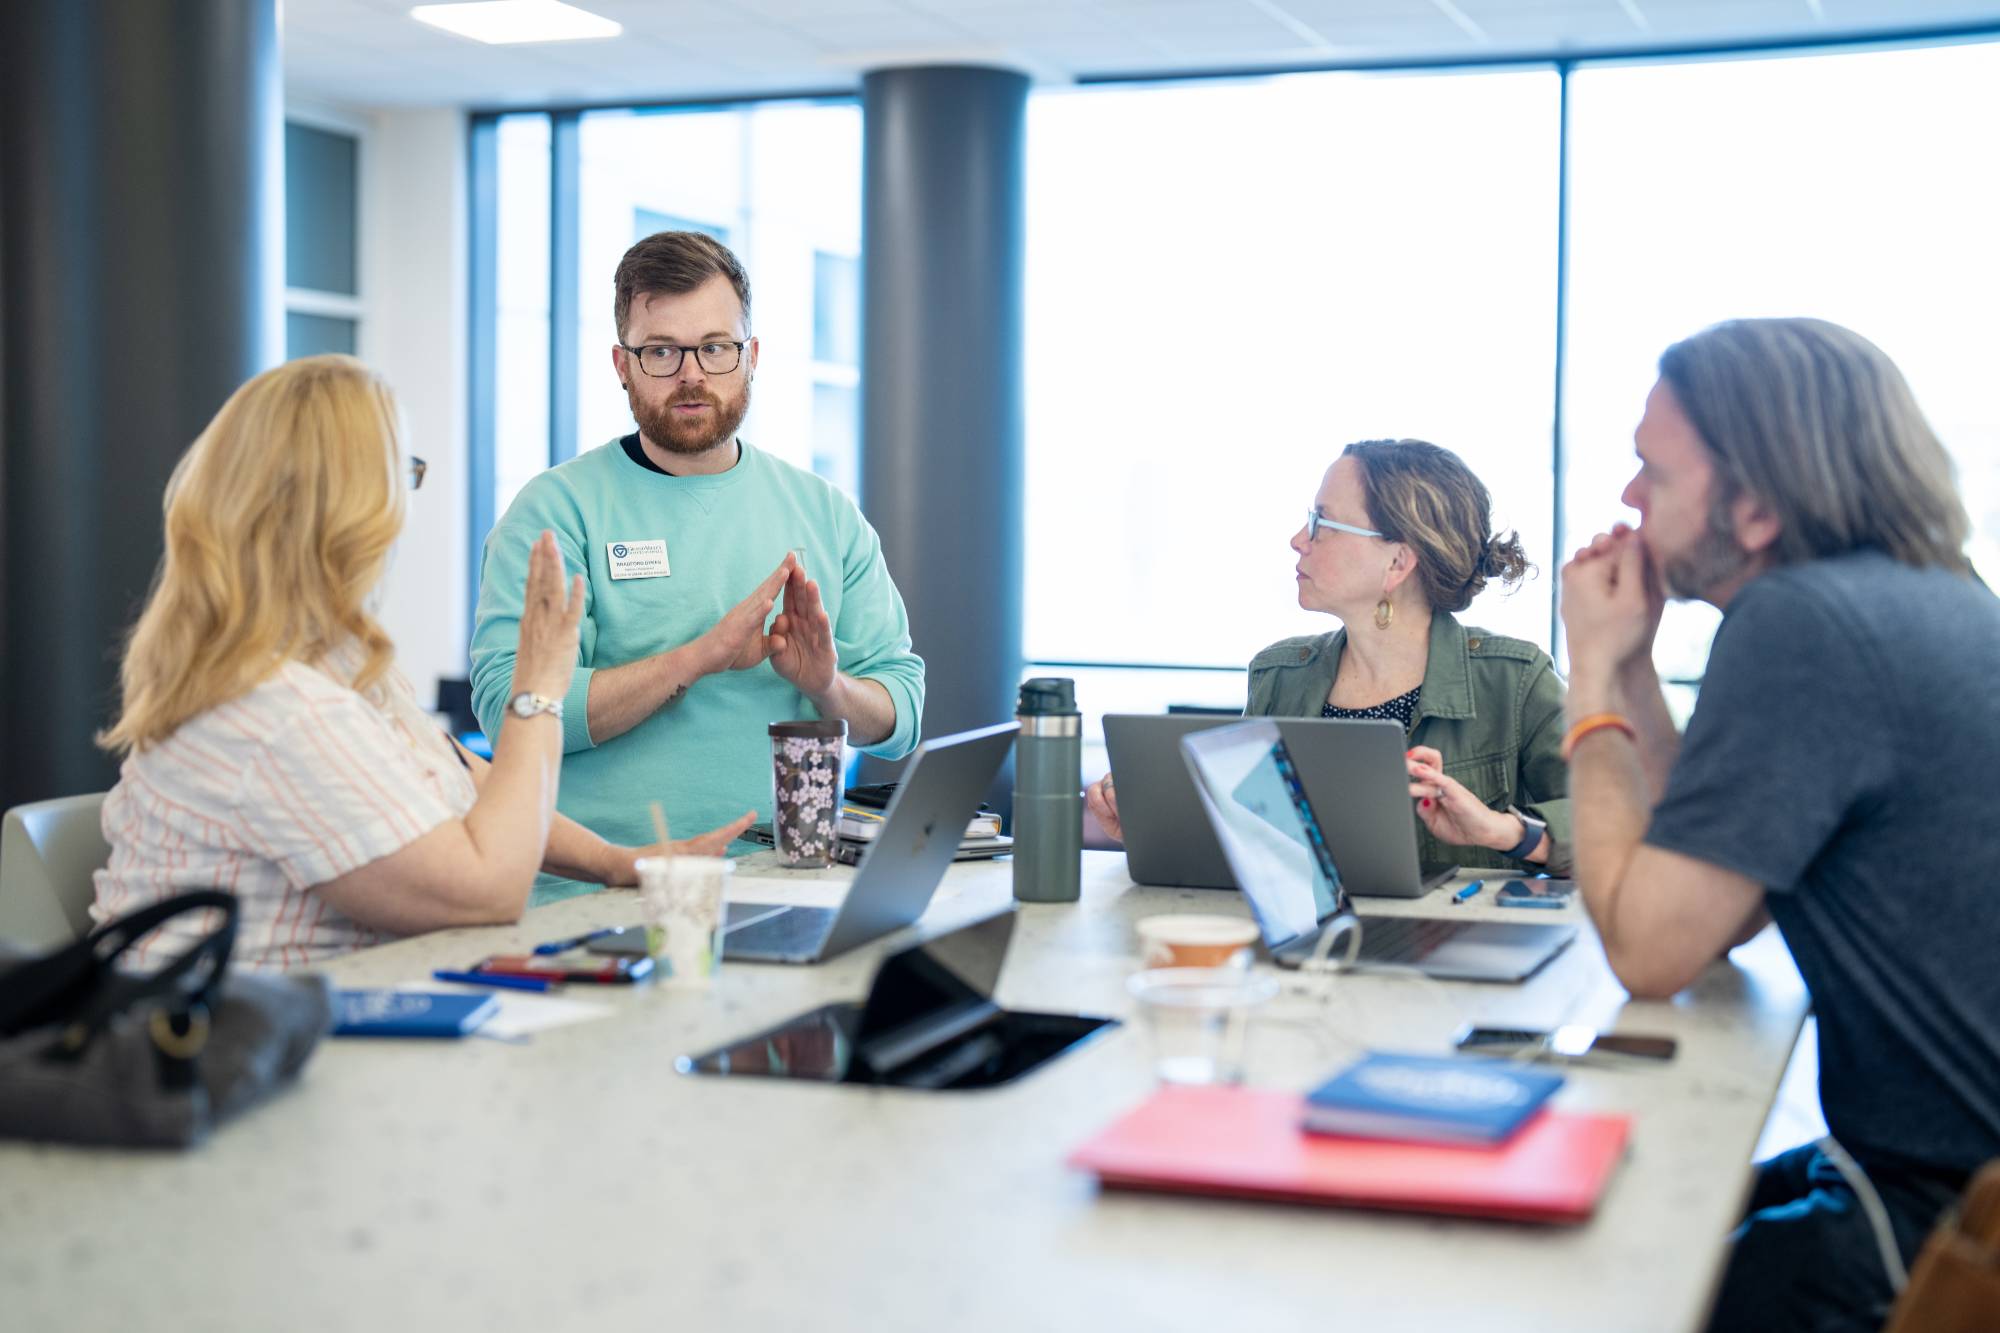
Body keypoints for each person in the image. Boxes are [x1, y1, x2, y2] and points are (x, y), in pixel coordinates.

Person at [1558, 317, 2000, 1333]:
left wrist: (1587, 676)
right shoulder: (1931, 595)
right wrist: (1633, 668)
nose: (1628, 497)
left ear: (1755, 509)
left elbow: (1650, 949)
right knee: (1649, 1208)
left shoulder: (1801, 625)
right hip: (1942, 1156)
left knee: (1589, 1284)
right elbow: (1719, 904)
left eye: (1652, 472)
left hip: (1944, 1208)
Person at [92, 356, 751, 970]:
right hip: (238, 1043)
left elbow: (467, 780)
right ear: (351, 509)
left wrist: (616, 861)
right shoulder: (278, 709)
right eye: (403, 474)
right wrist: (539, 691)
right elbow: (488, 890)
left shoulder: (332, 665)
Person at [471, 231, 924, 900]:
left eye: (715, 347)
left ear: (751, 356)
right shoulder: (557, 511)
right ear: (622, 365)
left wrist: (829, 687)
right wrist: (694, 660)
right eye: (661, 351)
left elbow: (900, 715)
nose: (692, 374)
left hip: (790, 883)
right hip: (601, 896)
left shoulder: (824, 512)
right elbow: (505, 710)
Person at [1089, 439, 1571, 877]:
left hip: (1462, 938)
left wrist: (1503, 830)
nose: (1299, 538)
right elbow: (1254, 850)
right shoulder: (1278, 677)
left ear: (1397, 562)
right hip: (1317, 940)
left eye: (1322, 522)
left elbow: (1606, 830)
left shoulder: (1516, 682)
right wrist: (1154, 829)